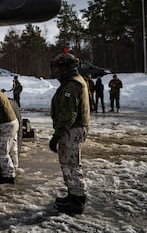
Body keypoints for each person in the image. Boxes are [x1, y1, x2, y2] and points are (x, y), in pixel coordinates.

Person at [49, 50, 90, 214]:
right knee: (68, 163)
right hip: (72, 129)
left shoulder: (72, 85)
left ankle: (78, 200)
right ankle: (73, 194)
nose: (56, 72)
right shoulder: (74, 81)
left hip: (71, 129)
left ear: (65, 68)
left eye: (59, 68)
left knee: (72, 164)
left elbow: (68, 114)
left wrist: (57, 135)